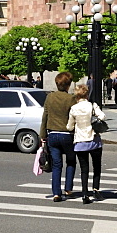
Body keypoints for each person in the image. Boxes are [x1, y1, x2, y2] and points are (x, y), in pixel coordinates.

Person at [66, 83, 106, 205]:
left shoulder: (74, 109)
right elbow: (103, 116)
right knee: (97, 167)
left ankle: (84, 194)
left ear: (76, 96)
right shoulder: (92, 106)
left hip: (80, 141)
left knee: (84, 169)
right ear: (87, 94)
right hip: (94, 140)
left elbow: (69, 126)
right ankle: (96, 189)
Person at [40, 71, 76, 201]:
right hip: (67, 135)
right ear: (68, 85)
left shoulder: (50, 97)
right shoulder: (71, 99)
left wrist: (42, 134)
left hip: (52, 134)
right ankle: (68, 189)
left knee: (56, 164)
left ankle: (56, 193)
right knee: (71, 161)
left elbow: (45, 116)